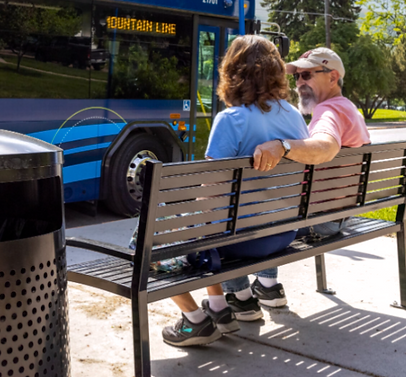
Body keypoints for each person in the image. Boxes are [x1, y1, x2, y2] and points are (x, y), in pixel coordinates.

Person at [158, 35, 309, 347]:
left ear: (232, 72)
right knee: (202, 227)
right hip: (282, 233)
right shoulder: (294, 115)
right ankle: (219, 309)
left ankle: (195, 320)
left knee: (148, 242)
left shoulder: (231, 120)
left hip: (241, 243)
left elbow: (209, 199)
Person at [250, 47, 370, 306]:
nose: (300, 83)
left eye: (307, 75)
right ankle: (265, 285)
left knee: (240, 213)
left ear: (333, 77)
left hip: (320, 220)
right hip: (339, 213)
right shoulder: (348, 109)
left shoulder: (329, 112)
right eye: (297, 77)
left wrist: (283, 146)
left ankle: (250, 292)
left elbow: (326, 147)